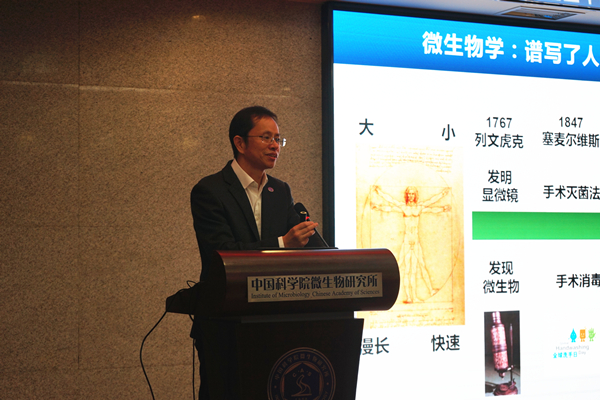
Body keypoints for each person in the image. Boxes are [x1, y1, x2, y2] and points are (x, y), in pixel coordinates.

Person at [189, 106, 320, 399]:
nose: (275, 146)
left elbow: (302, 247)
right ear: (240, 143)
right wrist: (283, 244)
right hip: (225, 323)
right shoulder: (210, 190)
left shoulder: (280, 191)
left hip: (273, 321)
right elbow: (222, 253)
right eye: (266, 137)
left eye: (278, 139)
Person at [372, 185, 450, 303]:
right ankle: (405, 296)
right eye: (409, 193)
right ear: (407, 195)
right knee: (403, 268)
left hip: (416, 241)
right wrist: (378, 198)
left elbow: (432, 205)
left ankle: (425, 293)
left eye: (413, 193)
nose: (411, 196)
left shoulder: (419, 207)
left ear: (415, 195)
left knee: (419, 267)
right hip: (407, 242)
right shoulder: (403, 207)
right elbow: (390, 204)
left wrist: (443, 202)